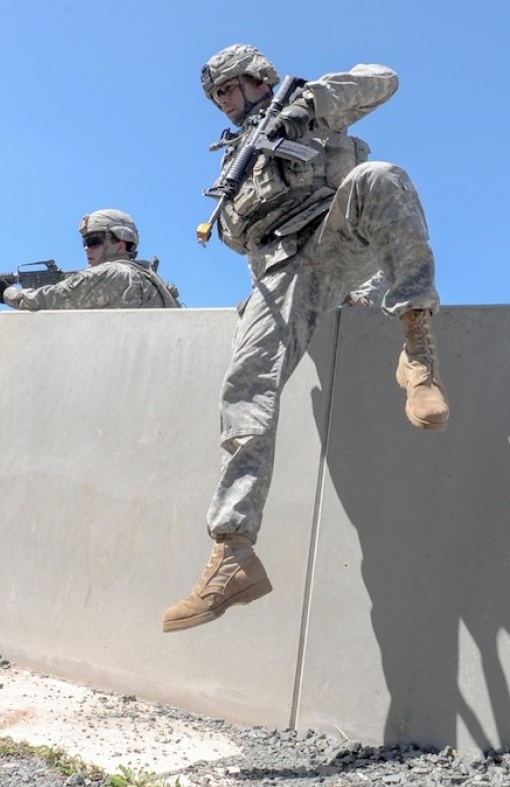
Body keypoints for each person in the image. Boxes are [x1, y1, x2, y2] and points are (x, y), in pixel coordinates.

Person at [162, 44, 450, 633]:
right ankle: (233, 553)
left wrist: (309, 105)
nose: (222, 102)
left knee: (381, 176)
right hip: (281, 273)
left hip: (337, 242)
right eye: (214, 95)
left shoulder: (309, 103)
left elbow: (386, 76)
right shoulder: (231, 160)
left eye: (228, 88)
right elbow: (245, 238)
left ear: (258, 78)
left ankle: (418, 348)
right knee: (245, 390)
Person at [0, 208, 181, 310]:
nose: (86, 248)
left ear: (121, 243)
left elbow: (53, 299)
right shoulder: (150, 280)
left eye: (93, 240)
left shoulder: (113, 274)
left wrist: (7, 293)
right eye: (84, 242)